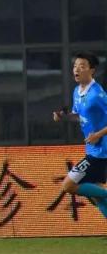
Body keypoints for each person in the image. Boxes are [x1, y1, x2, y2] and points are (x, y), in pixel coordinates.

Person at [53, 51, 107, 220]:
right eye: (75, 66)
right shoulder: (77, 91)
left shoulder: (97, 94)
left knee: (68, 185)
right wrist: (63, 117)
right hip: (92, 149)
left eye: (82, 66)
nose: (77, 69)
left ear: (92, 70)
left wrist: (98, 134)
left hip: (101, 151)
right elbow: (79, 116)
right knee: (97, 195)